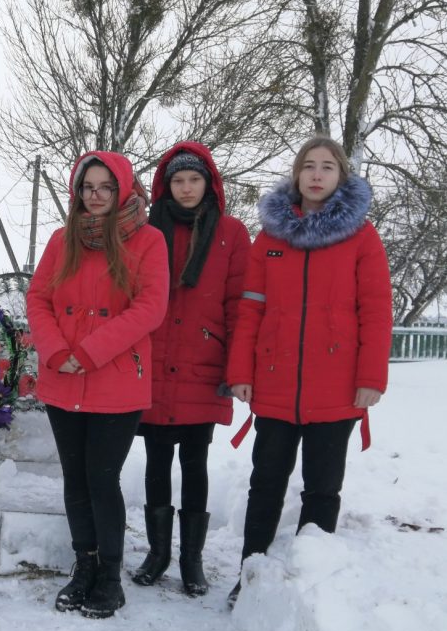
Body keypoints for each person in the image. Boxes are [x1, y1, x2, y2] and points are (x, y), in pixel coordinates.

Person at [226, 136, 392, 604]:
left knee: (322, 489)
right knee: (266, 484)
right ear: (297, 175)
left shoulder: (362, 236)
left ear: (341, 177)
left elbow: (376, 310)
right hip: (275, 382)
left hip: (336, 387)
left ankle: (308, 589)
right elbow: (251, 310)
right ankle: (249, 577)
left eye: (328, 167)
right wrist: (242, 369)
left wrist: (370, 379)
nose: (317, 175)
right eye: (308, 166)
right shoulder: (271, 238)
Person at [27, 151, 169, 619]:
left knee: (102, 479)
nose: (96, 196)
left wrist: (88, 353)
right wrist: (54, 351)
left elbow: (150, 307)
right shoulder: (61, 239)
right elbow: (40, 298)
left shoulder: (149, 241)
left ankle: (110, 576)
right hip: (62, 377)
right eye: (88, 187)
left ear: (122, 190)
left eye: (106, 187)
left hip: (115, 379)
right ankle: (83, 566)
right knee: (75, 479)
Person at [132, 143, 250, 596]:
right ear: (166, 185)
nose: (186, 188)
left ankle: (191, 560)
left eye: (194, 180)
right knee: (157, 459)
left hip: (205, 363)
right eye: (178, 180)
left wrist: (237, 365)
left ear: (209, 184)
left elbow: (238, 303)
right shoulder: (147, 231)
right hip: (156, 363)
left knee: (196, 460)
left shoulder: (232, 234)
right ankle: (158, 553)